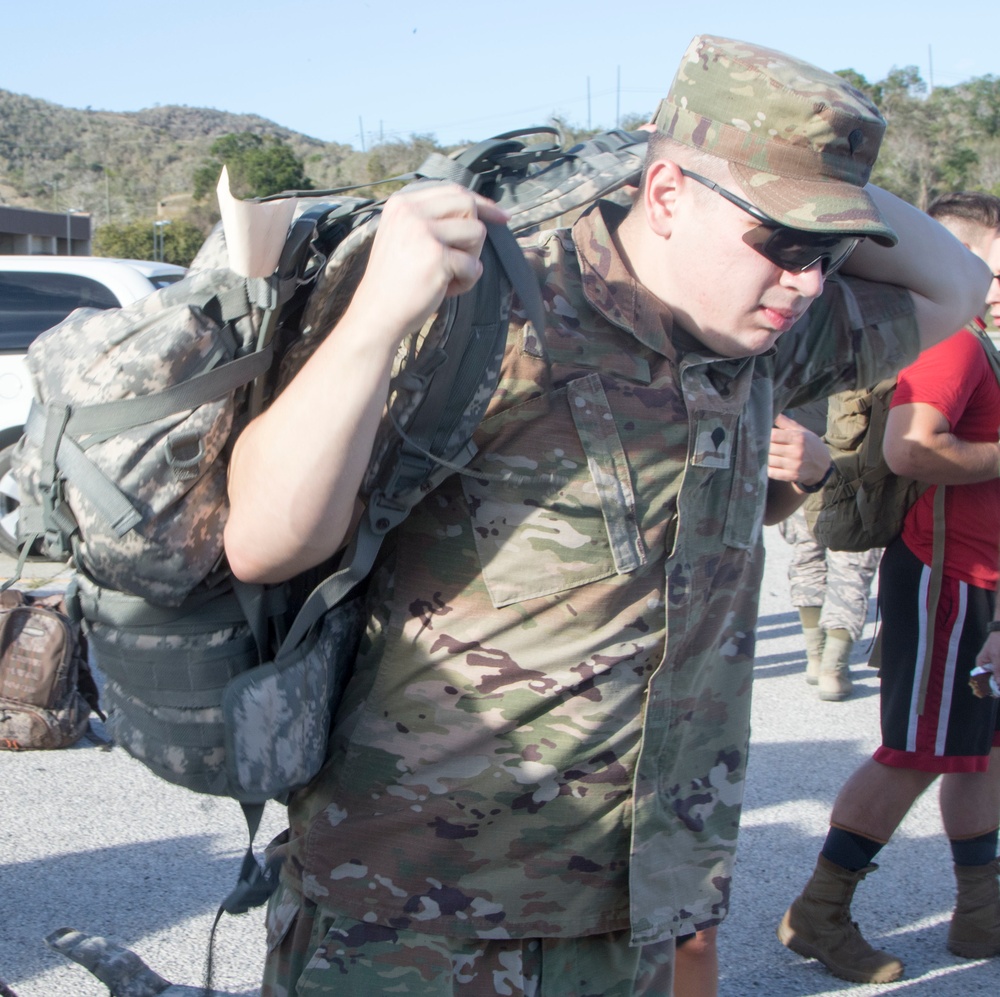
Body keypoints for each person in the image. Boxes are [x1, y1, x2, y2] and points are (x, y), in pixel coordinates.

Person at [224, 35, 989, 996]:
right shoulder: (479, 301)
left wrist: (808, 179)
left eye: (832, 252)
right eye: (785, 243)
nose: (808, 280)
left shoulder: (767, 347)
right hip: (412, 914)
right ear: (665, 197)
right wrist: (376, 316)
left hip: (633, 911)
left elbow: (958, 286)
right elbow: (263, 539)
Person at [777, 191, 1000, 985]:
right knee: (915, 752)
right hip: (947, 577)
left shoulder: (984, 344)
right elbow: (912, 450)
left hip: (979, 578)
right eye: (994, 262)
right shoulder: (959, 345)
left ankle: (980, 910)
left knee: (980, 753)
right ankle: (820, 910)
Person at [674, 418, 835, 997]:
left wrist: (807, 471)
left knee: (690, 930)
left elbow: (761, 505)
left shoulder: (742, 366)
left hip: (698, 699)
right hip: (561, 704)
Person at [776, 398, 882, 701]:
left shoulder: (807, 355)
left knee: (806, 556)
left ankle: (814, 657)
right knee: (851, 567)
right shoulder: (876, 359)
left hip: (804, 462)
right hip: (858, 468)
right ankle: (833, 670)